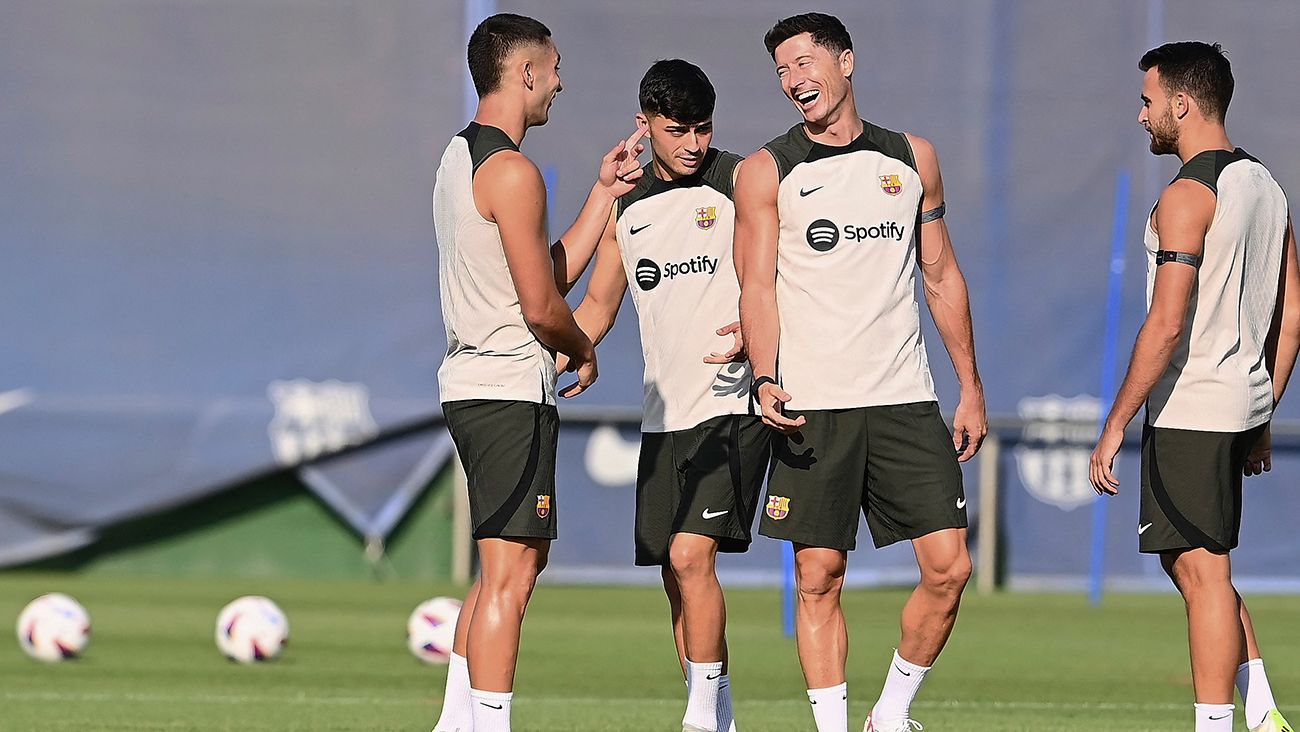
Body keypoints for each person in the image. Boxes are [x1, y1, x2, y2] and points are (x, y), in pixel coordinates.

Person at [734, 12, 987, 732]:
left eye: (805, 62)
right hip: (814, 403)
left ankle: (892, 714)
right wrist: (763, 374)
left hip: (906, 400)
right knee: (818, 577)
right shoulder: (767, 170)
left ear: (846, 61)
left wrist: (969, 384)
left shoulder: (912, 158)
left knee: (950, 569)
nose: (794, 80)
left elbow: (940, 275)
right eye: (782, 70)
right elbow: (755, 284)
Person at [429, 13, 642, 732]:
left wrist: (603, 192)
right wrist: (582, 347)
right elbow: (542, 304)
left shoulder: (462, 158)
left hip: (477, 387)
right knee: (512, 575)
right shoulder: (513, 171)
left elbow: (538, 270)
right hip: (504, 391)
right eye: (553, 67)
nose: (560, 81)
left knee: (503, 569)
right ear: (524, 73)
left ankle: (456, 722)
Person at [1089, 41, 1297, 732]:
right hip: (1235, 405)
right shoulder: (1267, 185)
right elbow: (1291, 317)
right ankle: (1263, 710)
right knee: (1195, 567)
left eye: (1148, 102)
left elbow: (1167, 322)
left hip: (1192, 408)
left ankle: (1216, 724)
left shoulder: (1187, 194)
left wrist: (1116, 421)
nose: (1141, 115)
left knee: (1203, 575)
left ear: (1182, 104)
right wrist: (1265, 408)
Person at [563, 59, 769, 732]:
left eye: (703, 129)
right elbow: (597, 303)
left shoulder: (745, 180)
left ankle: (698, 719)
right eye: (677, 129)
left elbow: (795, 274)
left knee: (691, 555)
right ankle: (722, 717)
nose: (692, 144)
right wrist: (562, 353)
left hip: (733, 404)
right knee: (676, 578)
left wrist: (758, 328)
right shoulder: (626, 202)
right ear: (643, 125)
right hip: (664, 417)